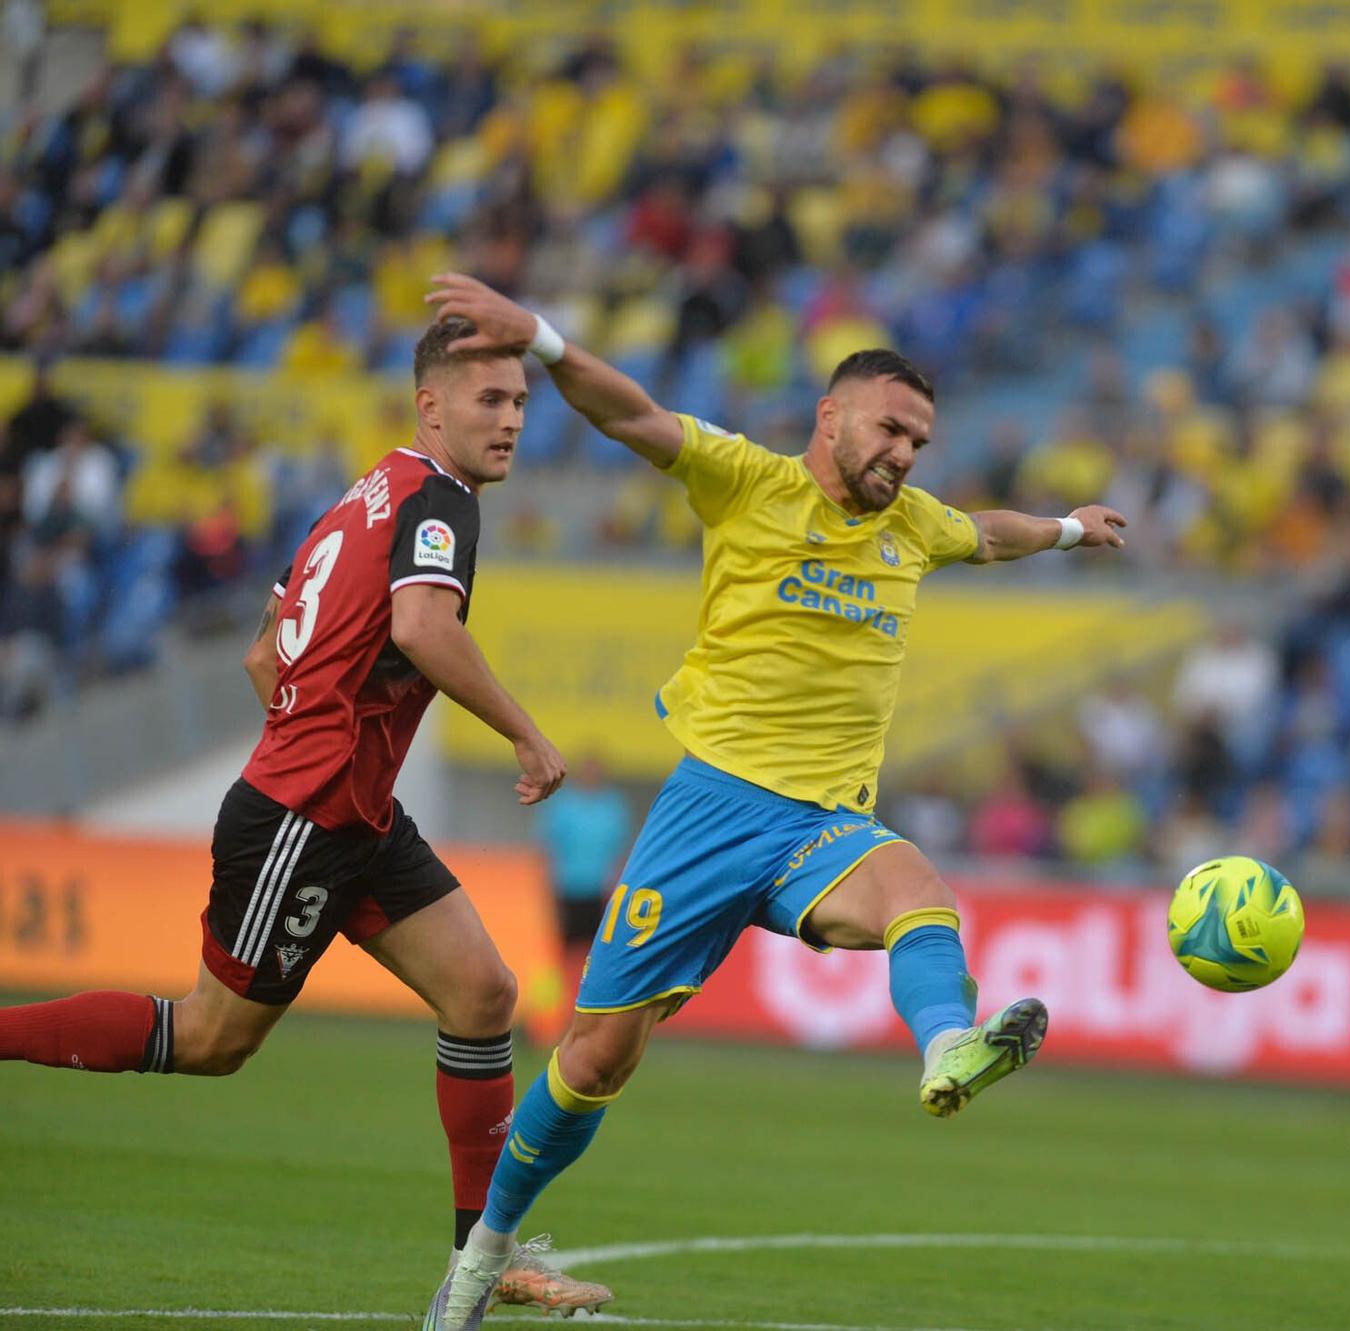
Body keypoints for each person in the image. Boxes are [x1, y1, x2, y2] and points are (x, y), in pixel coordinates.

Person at [418, 273, 1128, 1330]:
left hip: (820, 827)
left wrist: (1067, 528)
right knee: (594, 1058)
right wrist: (549, 342)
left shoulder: (915, 527)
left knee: (921, 896)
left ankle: (947, 1048)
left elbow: (989, 531)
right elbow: (634, 416)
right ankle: (479, 1259)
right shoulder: (748, 481)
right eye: (891, 428)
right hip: (708, 814)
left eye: (919, 442)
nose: (903, 453)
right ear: (829, 418)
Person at [0, 317, 611, 1318]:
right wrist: (526, 734)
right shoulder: (440, 502)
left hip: (348, 810)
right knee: (208, 1038)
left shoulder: (363, 493)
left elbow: (261, 653)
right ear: (431, 406)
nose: (510, 421)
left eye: (519, 403)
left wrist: (318, 732)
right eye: (489, 401)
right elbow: (420, 624)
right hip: (308, 812)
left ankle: (481, 1256)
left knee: (484, 993)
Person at [535, 754, 632, 994]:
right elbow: (549, 848)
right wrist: (548, 887)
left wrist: (616, 889)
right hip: (567, 888)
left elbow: (620, 852)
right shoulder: (564, 806)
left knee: (599, 955)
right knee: (560, 955)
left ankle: (590, 1004)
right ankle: (553, 1014)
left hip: (600, 892)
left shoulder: (613, 807)